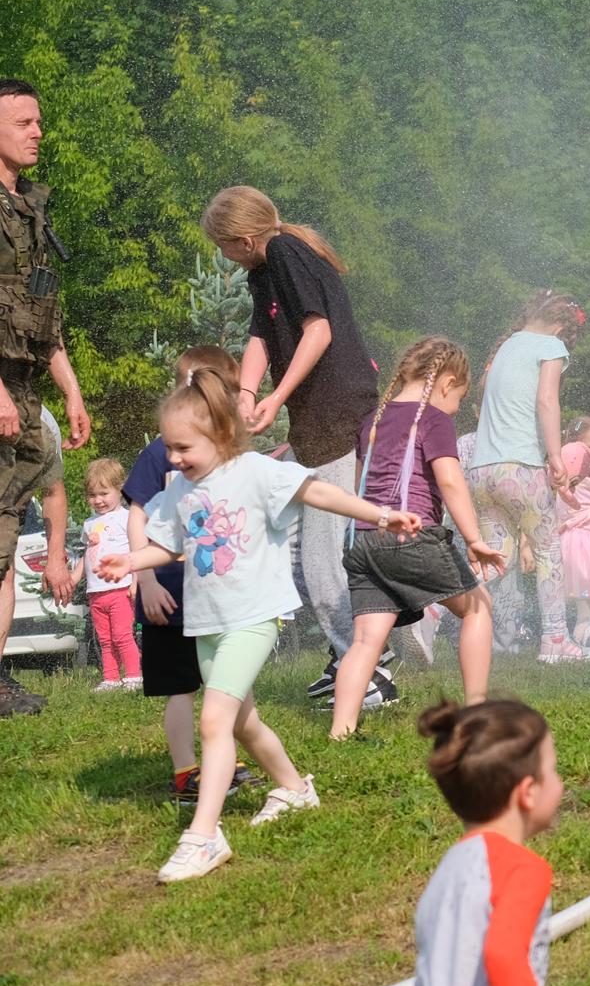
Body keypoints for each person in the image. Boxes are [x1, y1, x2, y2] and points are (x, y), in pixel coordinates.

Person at [100, 368, 420, 881]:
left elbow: (318, 493)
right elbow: (169, 544)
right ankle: (294, 789)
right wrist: (131, 562)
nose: (174, 458)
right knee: (242, 723)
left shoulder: (253, 471)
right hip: (207, 624)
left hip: (253, 618)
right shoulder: (182, 488)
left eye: (183, 447)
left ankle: (204, 836)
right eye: (170, 447)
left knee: (214, 720)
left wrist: (379, 515)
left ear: (221, 433)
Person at [202, 186, 381, 705]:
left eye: (222, 245)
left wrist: (276, 396)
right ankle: (354, 656)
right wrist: (246, 393)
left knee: (322, 564)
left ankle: (369, 671)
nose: (222, 256)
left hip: (333, 412)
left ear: (243, 239)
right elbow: (261, 336)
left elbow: (318, 331)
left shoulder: (284, 251)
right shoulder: (264, 269)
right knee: (302, 548)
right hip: (313, 421)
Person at [331, 338, 507, 739]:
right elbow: (450, 481)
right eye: (459, 399)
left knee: (366, 640)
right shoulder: (433, 419)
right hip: (411, 535)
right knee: (479, 606)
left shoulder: (373, 421)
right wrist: (473, 538)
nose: (456, 409)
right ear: (447, 383)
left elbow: (361, 487)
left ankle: (341, 731)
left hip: (362, 540)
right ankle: (477, 711)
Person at [126, 348, 266, 801]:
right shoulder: (160, 453)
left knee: (230, 683)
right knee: (181, 688)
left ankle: (228, 759)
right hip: (170, 595)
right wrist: (146, 581)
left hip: (218, 596)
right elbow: (137, 515)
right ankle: (187, 772)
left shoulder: (228, 458)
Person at [0, 80, 92, 716]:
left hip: (25, 393)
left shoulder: (29, 209)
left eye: (39, 122)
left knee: (5, 544)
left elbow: (40, 316)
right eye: (23, 123)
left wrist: (72, 390)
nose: (38, 132)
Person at [404, 698, 561, 986]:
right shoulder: (521, 869)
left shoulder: (450, 868)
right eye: (553, 771)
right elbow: (503, 953)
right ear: (528, 792)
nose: (559, 781)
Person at [467, 291, 590, 664]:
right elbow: (546, 400)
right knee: (548, 551)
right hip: (520, 467)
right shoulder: (550, 345)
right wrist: (555, 456)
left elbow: (486, 392)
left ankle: (432, 611)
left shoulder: (507, 346)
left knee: (496, 557)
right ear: (560, 327)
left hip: (482, 470)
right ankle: (555, 641)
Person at [77, 458, 142, 691]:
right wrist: (74, 577)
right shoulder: (89, 523)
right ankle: (111, 678)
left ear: (120, 489)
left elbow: (137, 552)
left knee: (122, 636)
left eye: (104, 493)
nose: (98, 500)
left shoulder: (127, 518)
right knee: (105, 639)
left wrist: (135, 583)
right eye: (92, 495)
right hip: (96, 591)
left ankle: (134, 676)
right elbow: (87, 554)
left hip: (120, 588)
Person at [557, 417, 590, 646]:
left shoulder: (564, 478)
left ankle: (589, 638)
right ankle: (585, 640)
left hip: (574, 545)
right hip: (587, 548)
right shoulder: (586, 479)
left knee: (587, 605)